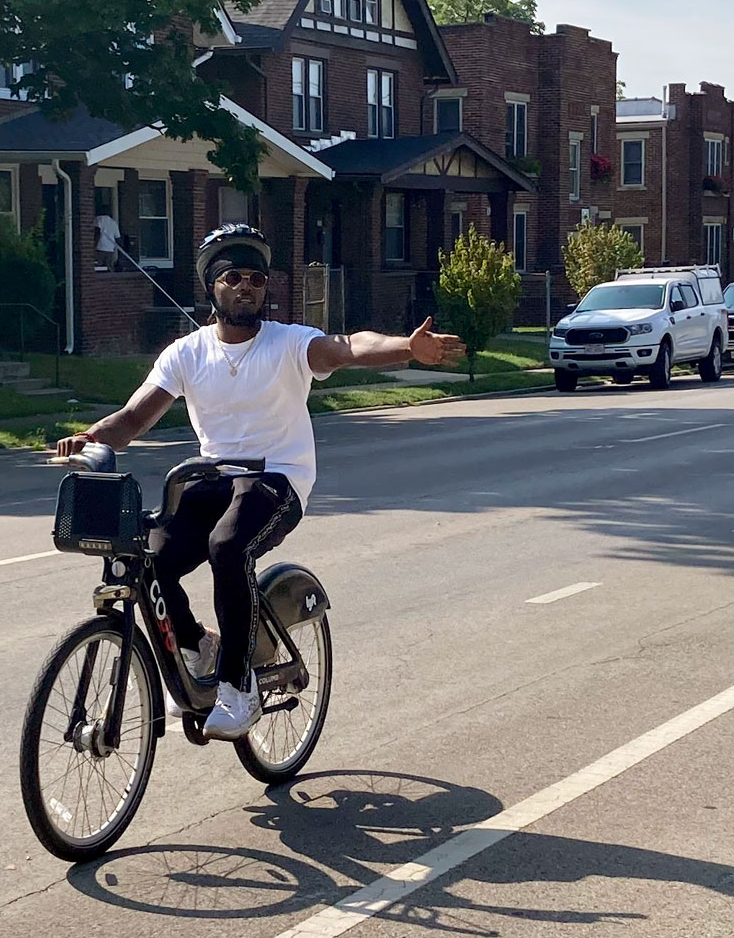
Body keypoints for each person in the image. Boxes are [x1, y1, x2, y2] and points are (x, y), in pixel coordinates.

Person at [54, 223, 465, 739]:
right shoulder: (187, 353)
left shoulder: (290, 344)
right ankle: (199, 645)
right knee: (150, 554)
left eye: (255, 278)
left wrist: (406, 346)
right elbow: (133, 419)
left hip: (276, 480)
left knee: (228, 547)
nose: (246, 286)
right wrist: (89, 438)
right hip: (210, 479)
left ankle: (238, 688)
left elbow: (348, 346)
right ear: (213, 286)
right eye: (233, 277)